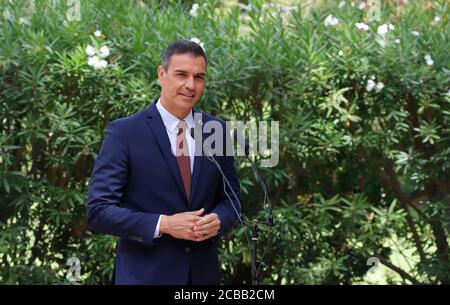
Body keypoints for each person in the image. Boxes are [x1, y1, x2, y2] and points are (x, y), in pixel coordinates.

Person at [86, 40, 241, 285]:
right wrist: (164, 224)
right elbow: (98, 211)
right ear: (161, 74)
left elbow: (231, 198)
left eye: (199, 77)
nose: (191, 85)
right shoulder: (125, 133)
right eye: (181, 74)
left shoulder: (215, 130)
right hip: (144, 276)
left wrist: (218, 220)